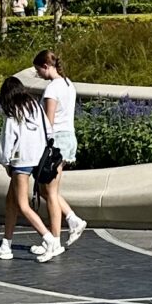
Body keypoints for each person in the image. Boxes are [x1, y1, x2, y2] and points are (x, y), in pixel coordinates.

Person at [0, 75, 61, 263]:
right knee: (10, 202)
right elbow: (49, 131)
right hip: (38, 159)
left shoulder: (12, 113)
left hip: (20, 161)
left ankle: (50, 240)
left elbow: (7, 142)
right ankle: (5, 245)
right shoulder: (35, 107)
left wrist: (6, 163)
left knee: (22, 205)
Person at [33, 49, 88, 248]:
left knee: (50, 191)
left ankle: (54, 239)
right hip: (68, 138)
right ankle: (72, 220)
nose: (38, 74)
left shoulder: (52, 89)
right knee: (48, 190)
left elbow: (49, 121)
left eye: (38, 70)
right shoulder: (68, 84)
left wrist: (42, 145)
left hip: (56, 141)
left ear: (46, 66)